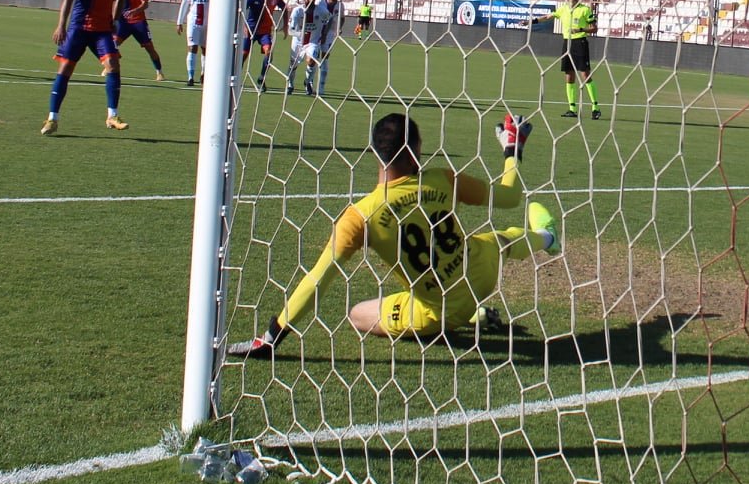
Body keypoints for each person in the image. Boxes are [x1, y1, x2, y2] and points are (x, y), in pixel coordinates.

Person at [228, 112, 559, 356]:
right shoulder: (441, 179)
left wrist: (272, 336)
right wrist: (510, 151)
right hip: (483, 273)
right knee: (497, 241)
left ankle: (467, 317)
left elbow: (319, 278)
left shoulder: (360, 217)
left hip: (438, 311)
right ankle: (545, 237)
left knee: (357, 315)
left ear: (375, 151)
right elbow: (510, 197)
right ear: (417, 149)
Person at [43, 0, 130, 135]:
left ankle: (112, 116)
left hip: (103, 31)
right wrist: (61, 25)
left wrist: (116, 19)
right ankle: (52, 119)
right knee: (65, 69)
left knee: (113, 65)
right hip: (79, 28)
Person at [553, 0, 602, 119]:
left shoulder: (584, 10)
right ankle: (572, 109)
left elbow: (594, 28)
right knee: (569, 76)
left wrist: (580, 29)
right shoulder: (563, 9)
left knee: (585, 75)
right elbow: (548, 17)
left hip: (580, 43)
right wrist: (532, 21)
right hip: (567, 43)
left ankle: (595, 107)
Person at [116, 0, 168, 81]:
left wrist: (134, 11)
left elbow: (145, 4)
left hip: (139, 22)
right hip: (123, 22)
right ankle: (109, 67)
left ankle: (159, 72)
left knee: (149, 48)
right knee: (112, 44)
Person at [241, 0, 287, 92]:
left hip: (265, 32)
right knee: (243, 55)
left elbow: (285, 8)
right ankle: (238, 76)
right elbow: (240, 11)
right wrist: (244, 26)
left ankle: (261, 78)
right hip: (251, 31)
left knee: (269, 52)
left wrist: (285, 25)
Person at [283, 0, 329, 97]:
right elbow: (290, 30)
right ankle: (290, 84)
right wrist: (300, 34)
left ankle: (308, 82)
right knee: (293, 65)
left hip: (312, 42)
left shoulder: (322, 11)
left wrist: (324, 34)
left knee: (311, 61)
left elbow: (329, 19)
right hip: (298, 42)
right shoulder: (297, 11)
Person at [175, 0, 213, 85]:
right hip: (193, 21)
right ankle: (190, 77)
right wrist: (179, 21)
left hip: (209, 23)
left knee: (206, 49)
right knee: (192, 48)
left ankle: (204, 74)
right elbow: (185, 2)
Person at [316, 0, 345, 95]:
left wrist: (339, 28)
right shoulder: (320, 2)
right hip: (317, 31)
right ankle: (309, 82)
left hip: (329, 34)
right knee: (313, 57)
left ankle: (321, 86)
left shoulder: (340, 5)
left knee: (324, 57)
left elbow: (342, 18)